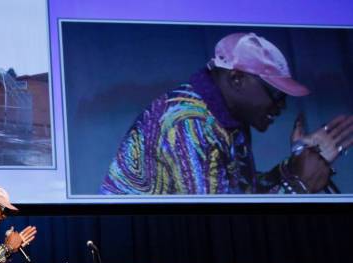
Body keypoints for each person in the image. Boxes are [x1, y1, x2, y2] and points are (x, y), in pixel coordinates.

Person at [101, 32, 353, 195]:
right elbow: (217, 229)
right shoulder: (188, 123)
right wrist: (298, 185)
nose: (281, 106)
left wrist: (293, 168)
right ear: (236, 79)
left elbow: (240, 193)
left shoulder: (228, 119)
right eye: (276, 94)